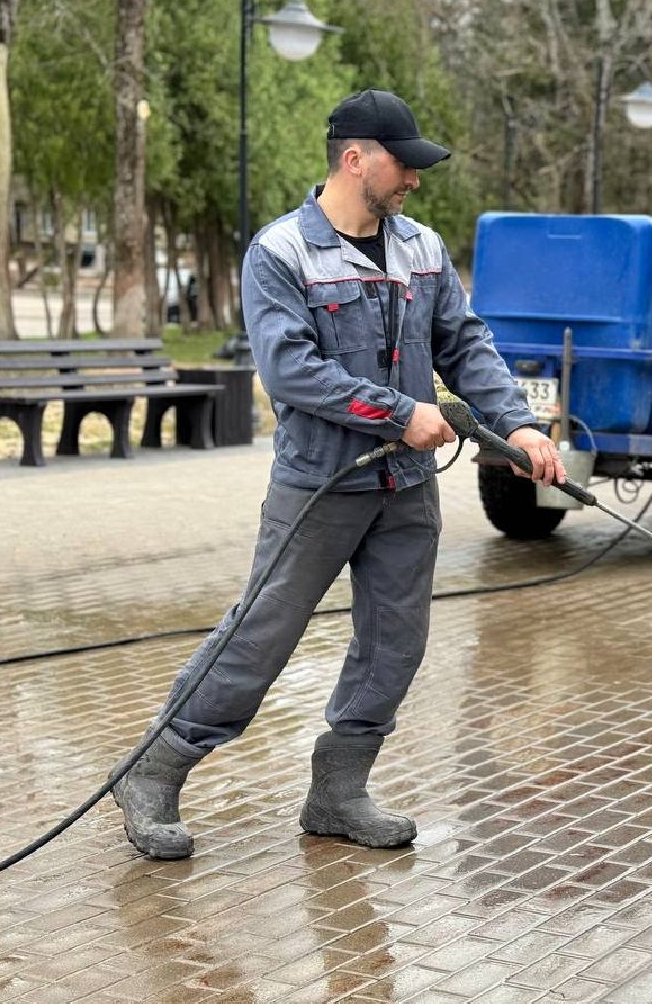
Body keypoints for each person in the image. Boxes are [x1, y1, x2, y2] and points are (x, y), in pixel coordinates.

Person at [112, 88, 565, 860]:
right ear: (355, 159)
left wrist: (516, 419)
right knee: (260, 636)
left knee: (396, 643)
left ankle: (338, 792)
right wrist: (399, 413)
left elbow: (464, 342)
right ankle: (155, 770)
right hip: (320, 484)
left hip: (406, 488)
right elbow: (290, 372)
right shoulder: (281, 253)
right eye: (403, 164)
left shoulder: (421, 248)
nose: (414, 181)